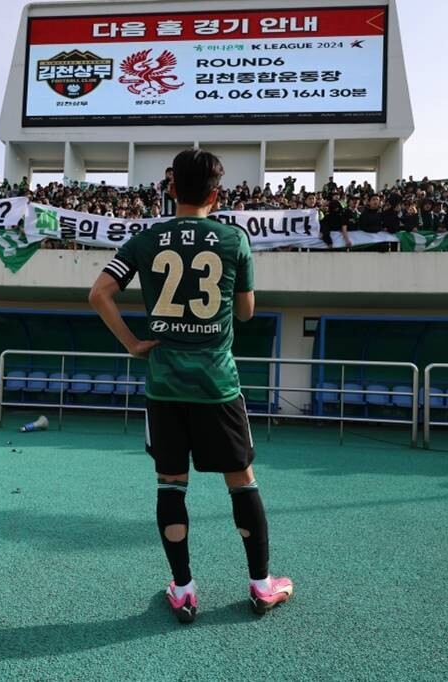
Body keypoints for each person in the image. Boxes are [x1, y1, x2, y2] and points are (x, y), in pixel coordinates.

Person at [88, 149, 292, 624]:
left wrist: (135, 345)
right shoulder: (232, 238)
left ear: (171, 188)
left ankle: (183, 590)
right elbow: (245, 313)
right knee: (241, 481)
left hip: (164, 388)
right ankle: (262, 586)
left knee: (171, 484)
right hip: (217, 386)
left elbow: (98, 293)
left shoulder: (146, 237)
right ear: (216, 194)